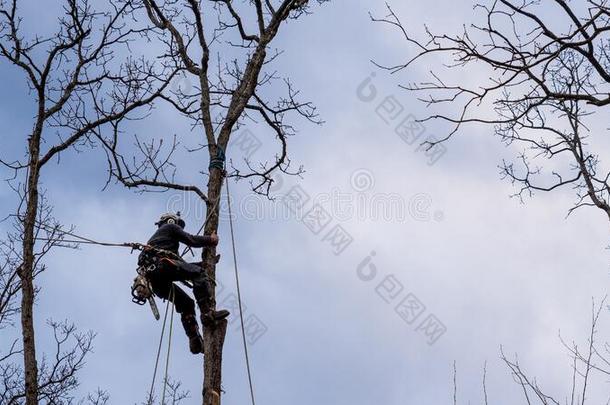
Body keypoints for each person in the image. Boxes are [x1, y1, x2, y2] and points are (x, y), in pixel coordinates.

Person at [139, 212, 229, 354]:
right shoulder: (169, 227)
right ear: (170, 221)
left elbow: (182, 266)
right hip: (163, 267)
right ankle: (207, 314)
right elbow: (191, 240)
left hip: (155, 279)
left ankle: (194, 340)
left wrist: (203, 264)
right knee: (198, 273)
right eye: (178, 225)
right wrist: (211, 240)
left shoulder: (158, 243)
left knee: (186, 303)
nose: (178, 228)